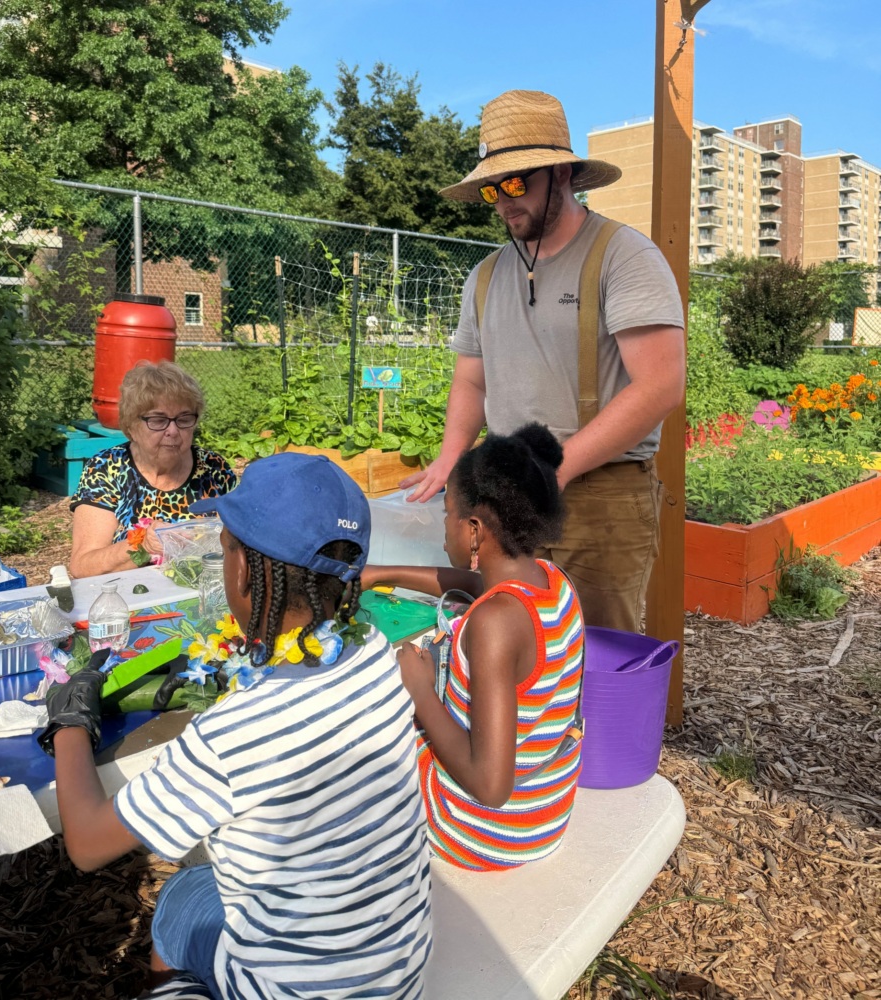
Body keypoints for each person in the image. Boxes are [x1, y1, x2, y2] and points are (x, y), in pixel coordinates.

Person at [39, 453, 432, 999]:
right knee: (204, 884)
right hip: (396, 968)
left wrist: (70, 724)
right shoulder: (373, 651)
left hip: (297, 988)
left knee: (179, 902)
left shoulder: (230, 735)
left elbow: (85, 844)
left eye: (223, 549)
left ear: (243, 570)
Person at [401, 90, 686, 633]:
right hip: (510, 494)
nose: (505, 200)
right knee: (513, 641)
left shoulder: (624, 256)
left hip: (603, 493)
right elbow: (470, 380)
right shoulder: (484, 276)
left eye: (516, 182)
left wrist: (558, 467)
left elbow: (660, 387)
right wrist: (450, 457)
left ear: (562, 173)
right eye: (492, 188)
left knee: (596, 653)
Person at [363, 423, 584, 871]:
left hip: (481, 833)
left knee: (356, 744)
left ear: (475, 530)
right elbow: (473, 581)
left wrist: (420, 691)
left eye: (447, 513)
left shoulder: (494, 624)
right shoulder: (551, 581)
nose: (443, 527)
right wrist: (381, 573)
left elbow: (489, 785)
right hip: (542, 810)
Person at [69, 360, 236, 578]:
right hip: (128, 594)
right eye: (158, 420)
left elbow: (242, 543)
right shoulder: (107, 468)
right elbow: (82, 566)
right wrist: (143, 546)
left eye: (184, 419)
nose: (173, 431)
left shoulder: (214, 469)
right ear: (131, 427)